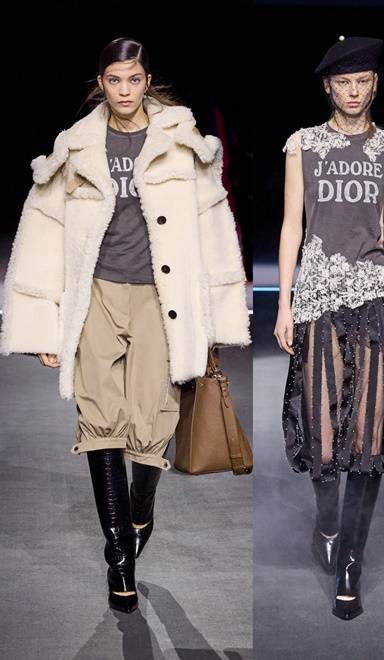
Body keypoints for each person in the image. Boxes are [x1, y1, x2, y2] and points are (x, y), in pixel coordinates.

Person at [0, 37, 250, 613]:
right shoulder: (76, 146)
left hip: (161, 300)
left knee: (153, 422)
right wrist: (43, 327)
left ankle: (141, 509)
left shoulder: (181, 142)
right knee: (100, 421)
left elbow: (213, 226)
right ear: (101, 84)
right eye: (114, 80)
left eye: (134, 79)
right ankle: (119, 556)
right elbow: (42, 232)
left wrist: (215, 316)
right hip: (96, 296)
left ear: (147, 80)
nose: (124, 91)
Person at [274, 36, 384, 620]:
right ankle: (329, 522)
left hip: (376, 295)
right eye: (343, 83)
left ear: (375, 84)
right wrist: (283, 303)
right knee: (323, 432)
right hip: (317, 298)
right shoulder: (303, 146)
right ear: (328, 87)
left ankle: (352, 563)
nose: (354, 91)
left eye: (363, 81)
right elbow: (292, 225)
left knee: (368, 435)